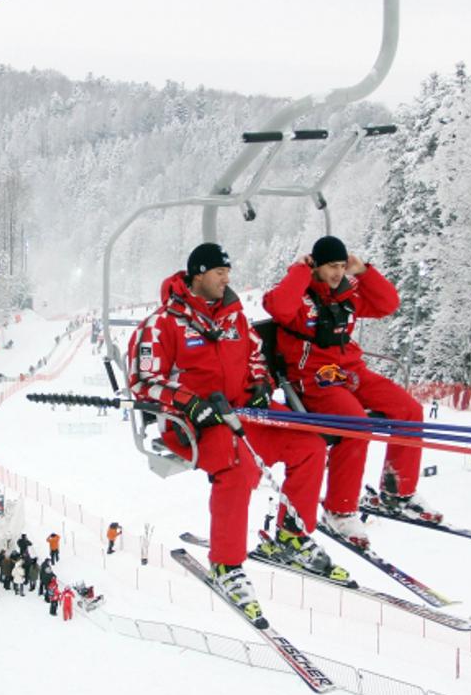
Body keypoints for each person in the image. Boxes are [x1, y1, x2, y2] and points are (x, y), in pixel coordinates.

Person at [128, 243, 341, 628]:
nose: (227, 278)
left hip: (246, 412)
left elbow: (256, 356)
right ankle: (227, 564)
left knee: (310, 441)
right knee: (238, 467)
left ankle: (292, 534)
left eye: (228, 271)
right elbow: (143, 382)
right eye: (218, 272)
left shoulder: (234, 318)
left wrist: (260, 383)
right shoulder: (162, 324)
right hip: (196, 425)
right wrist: (187, 402)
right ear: (197, 274)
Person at [263, 235, 440, 550]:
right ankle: (340, 509)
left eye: (341, 266)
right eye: (332, 266)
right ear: (317, 265)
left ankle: (398, 490)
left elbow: (388, 304)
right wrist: (301, 271)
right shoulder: (300, 297)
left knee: (409, 409)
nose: (337, 273)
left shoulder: (347, 294)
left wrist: (363, 272)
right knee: (357, 425)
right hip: (315, 377)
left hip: (350, 372)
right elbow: (277, 306)